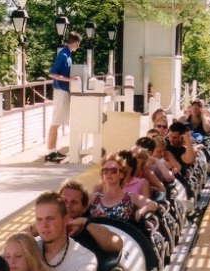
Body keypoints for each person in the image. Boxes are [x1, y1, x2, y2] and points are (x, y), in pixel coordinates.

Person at [59, 179, 123, 255]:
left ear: (85, 207)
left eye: (74, 202)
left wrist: (85, 223)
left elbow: (117, 246)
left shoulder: (91, 225)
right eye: (64, 201)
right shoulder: (48, 222)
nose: (68, 206)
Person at [45, 32, 82, 163]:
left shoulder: (68, 55)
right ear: (75, 43)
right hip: (60, 91)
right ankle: (50, 152)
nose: (78, 47)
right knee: (55, 123)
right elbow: (52, 74)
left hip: (64, 91)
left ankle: (53, 150)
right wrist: (69, 79)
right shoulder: (63, 55)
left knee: (58, 122)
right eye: (78, 44)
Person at [89, 155, 158, 223]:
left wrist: (142, 211)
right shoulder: (93, 197)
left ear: (122, 174)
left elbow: (153, 204)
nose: (109, 173)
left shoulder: (130, 197)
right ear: (102, 175)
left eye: (113, 170)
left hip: (121, 233)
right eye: (105, 171)